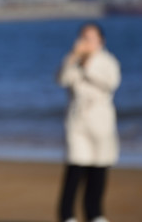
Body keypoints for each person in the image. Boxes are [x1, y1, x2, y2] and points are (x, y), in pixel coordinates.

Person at [56, 22, 121, 222]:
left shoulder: (108, 61)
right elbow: (62, 79)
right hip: (77, 120)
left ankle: (95, 214)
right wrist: (74, 57)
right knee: (75, 166)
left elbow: (110, 84)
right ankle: (67, 215)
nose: (87, 42)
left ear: (100, 41)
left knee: (99, 168)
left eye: (91, 38)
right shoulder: (72, 60)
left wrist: (87, 65)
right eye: (83, 37)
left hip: (101, 120)